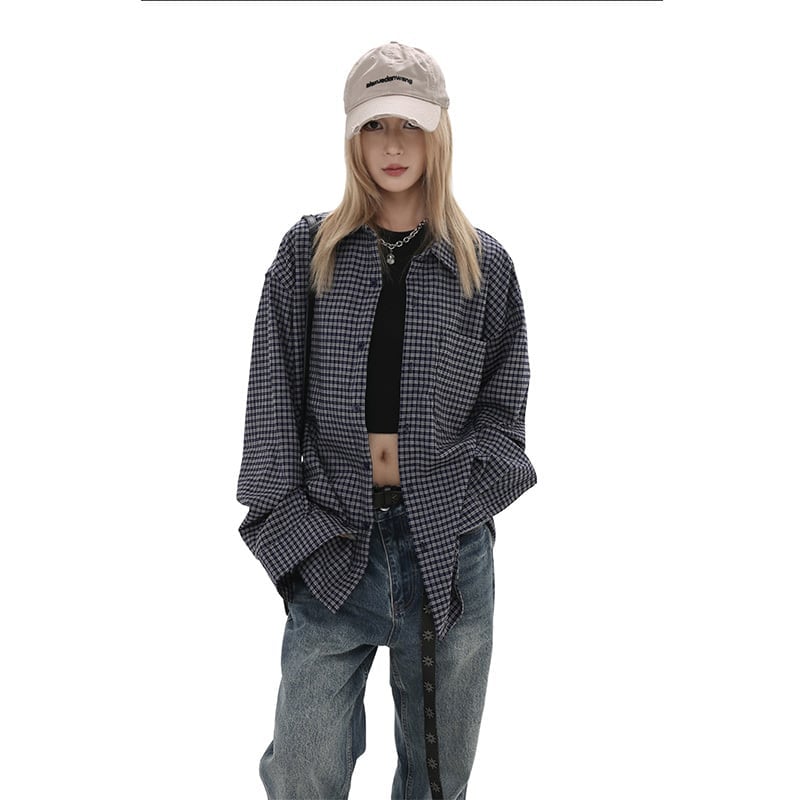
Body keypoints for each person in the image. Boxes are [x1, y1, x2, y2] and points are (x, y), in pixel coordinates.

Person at [237, 42, 537, 800]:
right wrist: (293, 541)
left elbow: (504, 413)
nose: (394, 144)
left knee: (438, 779)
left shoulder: (484, 266)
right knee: (303, 771)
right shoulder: (307, 255)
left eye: (410, 124)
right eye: (375, 125)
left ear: (439, 133)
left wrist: (459, 509)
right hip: (335, 542)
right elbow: (271, 406)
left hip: (447, 556)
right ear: (352, 136)